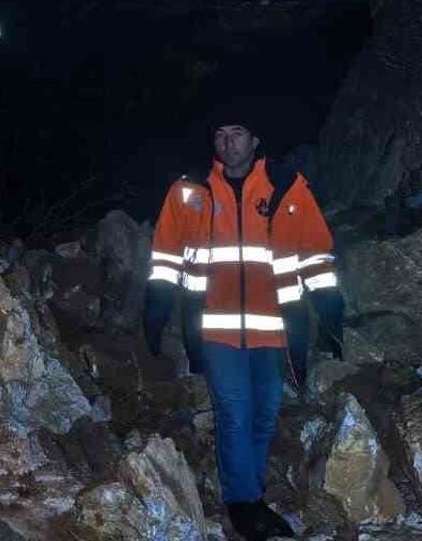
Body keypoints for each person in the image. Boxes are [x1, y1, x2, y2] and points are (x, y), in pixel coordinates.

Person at [142, 119, 344, 541]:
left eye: (237, 133)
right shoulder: (189, 190)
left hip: (274, 327)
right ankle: (242, 503)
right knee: (234, 414)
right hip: (214, 327)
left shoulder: (287, 187)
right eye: (219, 134)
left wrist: (330, 313)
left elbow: (315, 253)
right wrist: (156, 312)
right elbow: (166, 257)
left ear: (255, 140)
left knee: (264, 415)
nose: (227, 142)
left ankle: (252, 494)